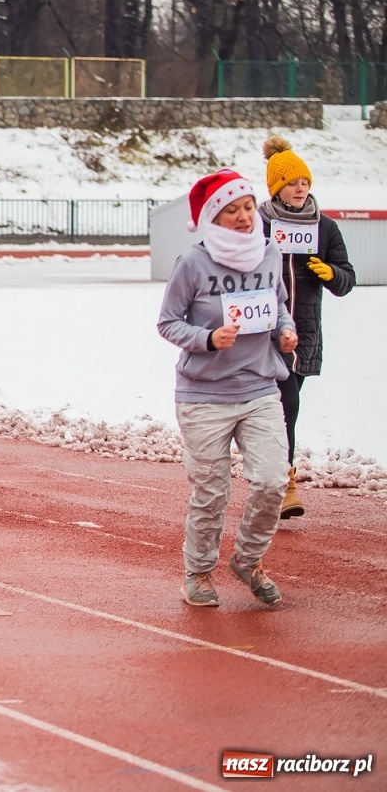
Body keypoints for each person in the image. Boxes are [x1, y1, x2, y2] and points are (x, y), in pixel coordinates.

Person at [159, 168, 297, 607]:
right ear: (213, 218)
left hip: (259, 387)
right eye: (231, 210)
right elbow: (167, 323)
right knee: (212, 491)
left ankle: (248, 560)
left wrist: (285, 332)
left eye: (248, 207)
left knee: (273, 481)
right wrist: (207, 339)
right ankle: (198, 573)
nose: (243, 217)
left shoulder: (269, 253)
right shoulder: (193, 263)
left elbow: (279, 307)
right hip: (204, 396)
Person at [259, 136, 355, 519]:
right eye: (292, 183)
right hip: (264, 333)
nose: (300, 189)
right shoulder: (260, 223)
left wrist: (330, 273)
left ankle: (270, 477)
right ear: (276, 187)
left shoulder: (325, 228)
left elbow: (347, 279)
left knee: (284, 408)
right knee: (287, 404)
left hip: (305, 334)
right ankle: (284, 486)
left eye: (305, 182)